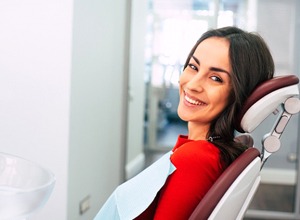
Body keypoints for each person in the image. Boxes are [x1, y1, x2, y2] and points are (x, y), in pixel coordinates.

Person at [94, 26, 275, 220]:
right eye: (193, 67)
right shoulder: (202, 151)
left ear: (241, 94)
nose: (192, 84)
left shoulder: (196, 159)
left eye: (216, 78)